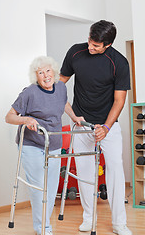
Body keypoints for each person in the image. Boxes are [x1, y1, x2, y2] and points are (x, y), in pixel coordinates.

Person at [60, 20, 132, 235]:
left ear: (107, 45)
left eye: (96, 45)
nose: (90, 47)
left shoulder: (119, 62)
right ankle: (88, 218)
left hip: (108, 126)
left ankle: (119, 223)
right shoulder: (75, 52)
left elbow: (119, 100)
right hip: (81, 124)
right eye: (90, 41)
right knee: (84, 172)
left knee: (115, 172)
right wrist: (70, 113)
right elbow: (58, 84)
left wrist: (106, 128)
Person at [5, 56, 83, 235]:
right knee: (39, 186)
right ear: (36, 76)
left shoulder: (61, 87)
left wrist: (74, 117)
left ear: (54, 72)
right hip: (31, 144)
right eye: (40, 72)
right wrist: (26, 119)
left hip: (53, 143)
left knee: (52, 186)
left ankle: (44, 224)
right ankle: (43, 228)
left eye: (48, 70)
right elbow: (9, 116)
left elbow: (63, 103)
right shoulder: (29, 92)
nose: (45, 75)